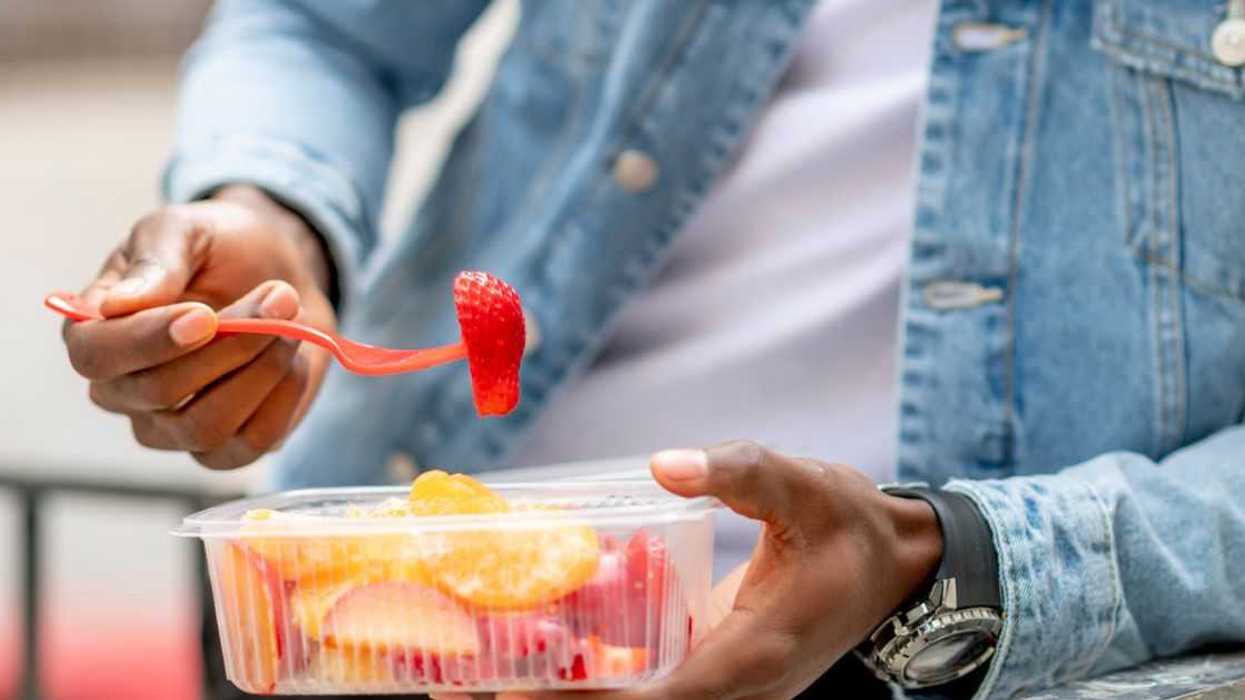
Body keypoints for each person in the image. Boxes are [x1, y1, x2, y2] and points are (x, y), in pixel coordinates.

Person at [59, 1, 1245, 698]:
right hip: (382, 620)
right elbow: (323, 29)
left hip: (960, 671)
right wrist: (273, 211)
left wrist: (961, 559)